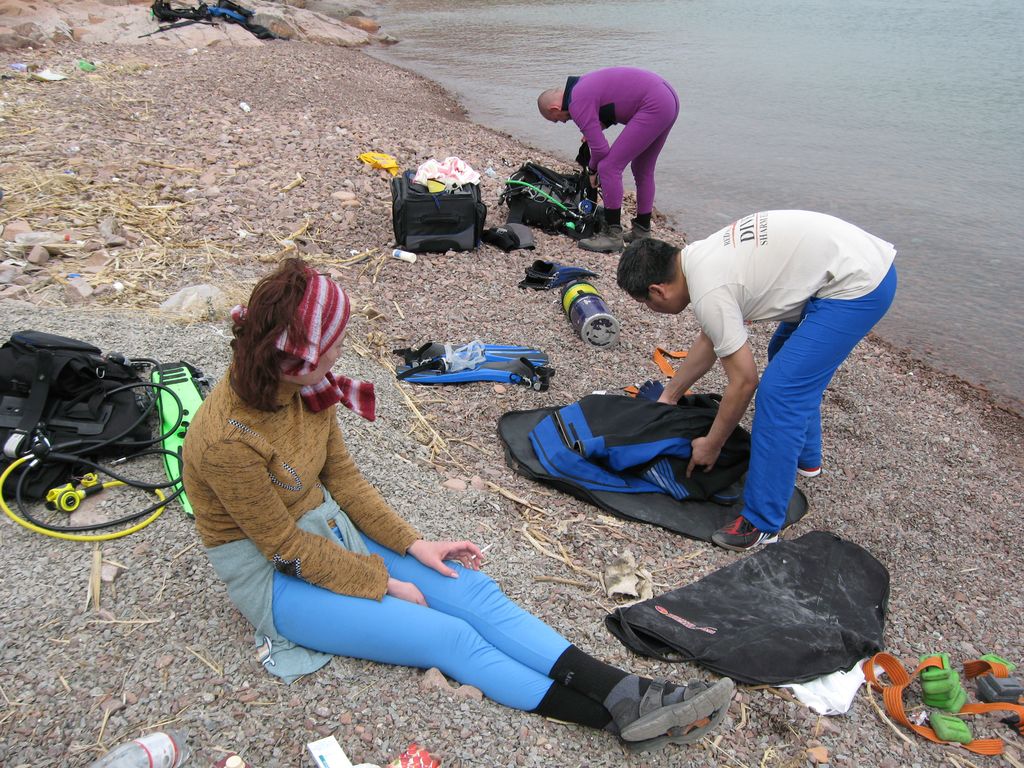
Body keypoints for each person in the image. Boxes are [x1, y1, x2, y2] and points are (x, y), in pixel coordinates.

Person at [182, 258, 734, 752]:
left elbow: (343, 481)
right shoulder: (227, 438)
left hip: (326, 528)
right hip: (273, 576)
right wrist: (381, 581)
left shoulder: (303, 387)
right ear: (301, 357)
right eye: (336, 340)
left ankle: (627, 691)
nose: (343, 347)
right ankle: (617, 720)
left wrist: (412, 545)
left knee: (472, 593)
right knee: (446, 636)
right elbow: (283, 548)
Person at [616, 211, 897, 551]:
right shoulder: (697, 258)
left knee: (780, 392)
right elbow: (712, 338)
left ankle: (763, 521)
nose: (650, 309)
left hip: (858, 285)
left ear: (657, 290)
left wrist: (712, 443)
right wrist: (670, 395)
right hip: (848, 263)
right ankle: (806, 459)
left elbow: (744, 382)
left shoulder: (709, 289)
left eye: (644, 303)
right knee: (785, 357)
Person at [537, 67, 679, 253]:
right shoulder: (581, 85)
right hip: (668, 99)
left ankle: (612, 236)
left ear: (554, 109)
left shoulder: (576, 102)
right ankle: (641, 231)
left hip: (654, 104)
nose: (562, 122)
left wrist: (592, 170)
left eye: (556, 120)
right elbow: (616, 102)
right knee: (642, 168)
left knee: (608, 167)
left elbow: (600, 149)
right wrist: (600, 125)